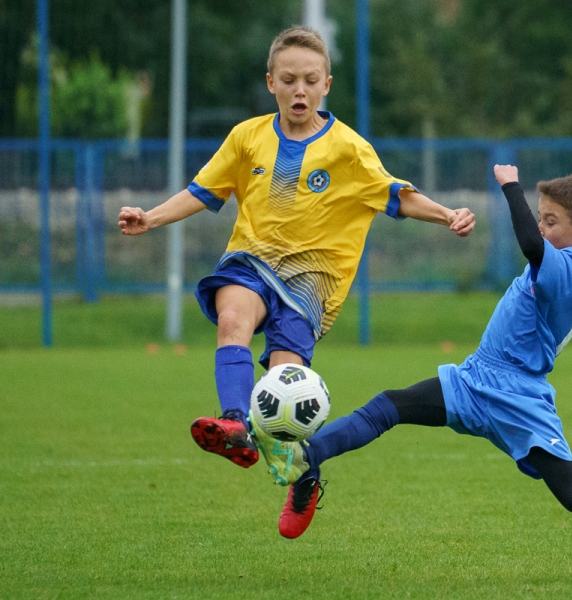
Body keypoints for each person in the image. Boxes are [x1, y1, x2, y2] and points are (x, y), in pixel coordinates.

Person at [252, 165, 572, 582]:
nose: (540, 227)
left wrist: (510, 185)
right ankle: (305, 460)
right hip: (475, 380)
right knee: (389, 406)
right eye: (540, 216)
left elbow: (534, 248)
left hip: (520, 398)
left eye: (551, 221)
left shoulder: (566, 264)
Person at [117, 26, 475, 469]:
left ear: (326, 85)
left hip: (311, 283)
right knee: (232, 320)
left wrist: (448, 215)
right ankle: (234, 424)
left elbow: (397, 195)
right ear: (271, 83)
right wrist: (150, 217)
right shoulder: (247, 138)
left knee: (283, 390)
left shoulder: (348, 149)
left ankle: (297, 472)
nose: (299, 90)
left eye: (310, 81)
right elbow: (202, 190)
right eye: (288, 81)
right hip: (251, 261)